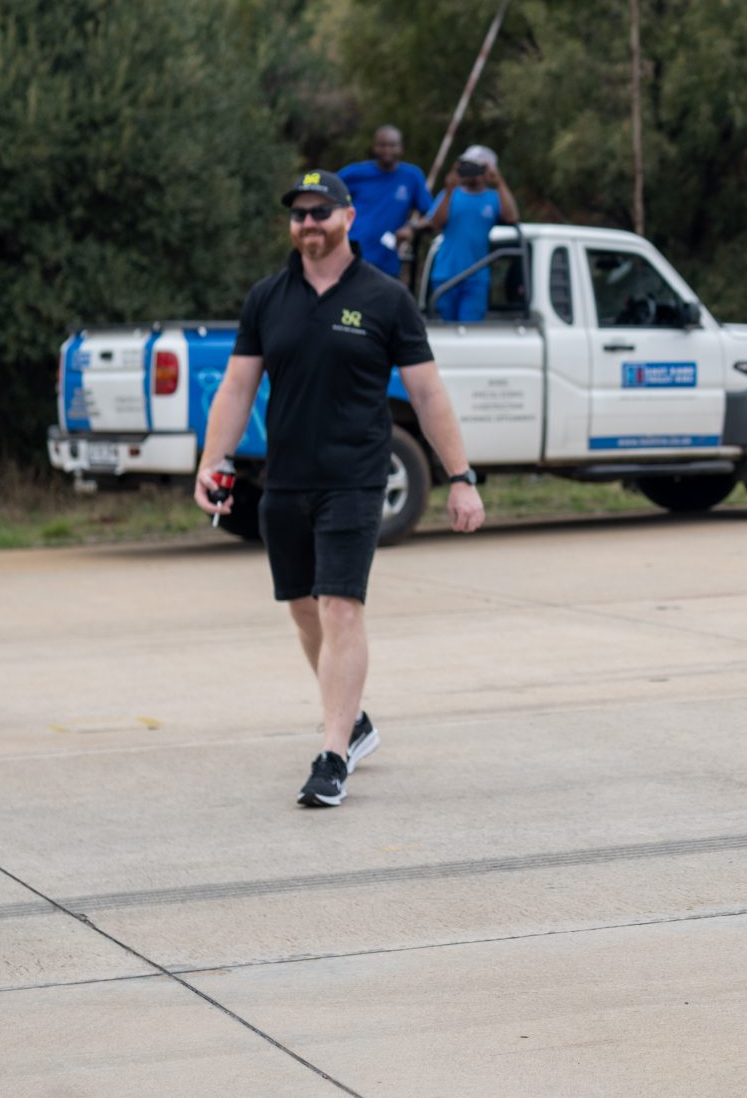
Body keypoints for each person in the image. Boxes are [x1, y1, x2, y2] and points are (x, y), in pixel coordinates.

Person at [193, 168, 485, 807]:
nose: (309, 224)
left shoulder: (385, 299)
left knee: (340, 606)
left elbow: (428, 391)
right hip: (286, 481)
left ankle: (332, 754)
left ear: (349, 219)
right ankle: (353, 718)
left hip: (356, 479)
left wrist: (460, 478)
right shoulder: (267, 298)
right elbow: (238, 387)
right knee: (303, 609)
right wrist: (213, 460)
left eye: (321, 212)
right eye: (299, 214)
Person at [427, 146, 519, 325]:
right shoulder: (450, 194)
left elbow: (512, 217)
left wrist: (499, 182)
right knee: (444, 330)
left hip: (476, 277)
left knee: (469, 330)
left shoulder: (493, 198)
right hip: (445, 274)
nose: (471, 171)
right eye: (466, 165)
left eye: (477, 166)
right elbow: (436, 224)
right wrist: (448, 190)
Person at [338, 127, 434, 281]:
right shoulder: (355, 173)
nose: (387, 149)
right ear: (375, 147)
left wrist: (411, 227)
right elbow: (328, 196)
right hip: (351, 256)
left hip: (386, 261)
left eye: (392, 145)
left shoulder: (411, 177)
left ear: (400, 148)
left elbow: (431, 215)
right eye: (382, 145)